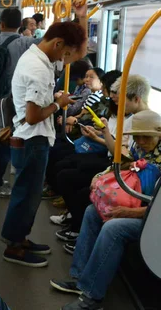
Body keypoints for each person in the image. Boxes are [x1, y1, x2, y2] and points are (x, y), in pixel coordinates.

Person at [1, 8, 88, 268]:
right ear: (58, 44)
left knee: (28, 194)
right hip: (32, 140)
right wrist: (59, 103)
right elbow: (32, 115)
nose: (67, 59)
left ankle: (20, 238)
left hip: (31, 140)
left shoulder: (42, 57)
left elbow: (80, 52)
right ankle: (14, 247)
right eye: (66, 54)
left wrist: (82, 18)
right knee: (26, 195)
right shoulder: (38, 69)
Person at [51, 110, 161, 310]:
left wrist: (128, 213)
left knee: (114, 228)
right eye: (137, 136)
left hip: (153, 216)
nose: (141, 141)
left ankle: (92, 297)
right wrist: (101, 176)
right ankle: (80, 277)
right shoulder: (141, 148)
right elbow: (124, 166)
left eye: (146, 136)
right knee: (92, 212)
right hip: (139, 203)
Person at [52, 75, 152, 250]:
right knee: (68, 168)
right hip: (125, 171)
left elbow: (122, 157)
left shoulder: (140, 122)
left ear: (135, 99)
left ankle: (78, 229)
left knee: (75, 179)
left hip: (133, 179)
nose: (119, 103)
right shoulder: (133, 119)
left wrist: (104, 135)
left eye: (122, 99)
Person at [0, 7, 38, 197]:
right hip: (7, 104)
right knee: (2, 142)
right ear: (20, 25)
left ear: (1, 23)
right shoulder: (24, 43)